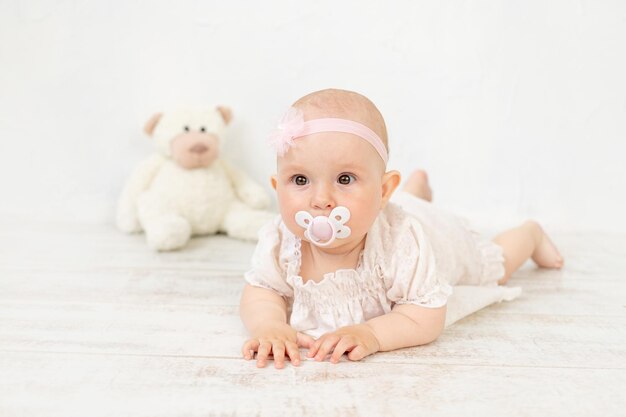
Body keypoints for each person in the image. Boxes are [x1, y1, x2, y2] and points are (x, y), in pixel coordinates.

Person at [239, 88, 563, 369]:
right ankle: (415, 191)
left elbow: (424, 316)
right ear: (277, 187)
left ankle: (529, 233)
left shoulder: (402, 242)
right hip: (390, 205)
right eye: (300, 180)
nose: (321, 200)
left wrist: (373, 333)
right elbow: (263, 290)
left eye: (345, 179)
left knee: (497, 266)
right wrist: (269, 324)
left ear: (382, 191)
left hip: (437, 233)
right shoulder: (279, 239)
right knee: (410, 201)